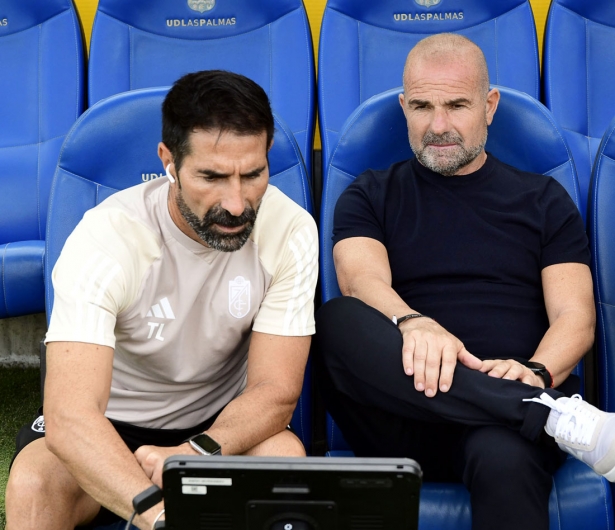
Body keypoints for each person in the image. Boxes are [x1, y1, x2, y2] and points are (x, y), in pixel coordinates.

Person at [313, 33, 615, 530]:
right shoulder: (370, 193)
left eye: (457, 105)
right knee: (337, 320)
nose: (438, 125)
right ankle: (548, 415)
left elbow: (575, 316)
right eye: (422, 106)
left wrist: (537, 371)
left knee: (504, 456)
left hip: (506, 419)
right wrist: (414, 323)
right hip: (400, 414)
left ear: (489, 105)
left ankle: (527, 407)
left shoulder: (543, 200)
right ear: (402, 107)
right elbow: (359, 279)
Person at [6, 70, 318, 530]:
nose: (236, 203)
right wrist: (158, 511)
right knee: (34, 483)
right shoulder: (108, 236)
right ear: (168, 161)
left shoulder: (290, 230)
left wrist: (196, 452)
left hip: (216, 423)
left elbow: (275, 392)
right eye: (211, 176)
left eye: (253, 174)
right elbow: (70, 415)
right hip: (108, 422)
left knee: (283, 455)